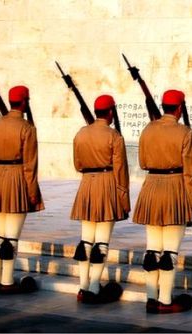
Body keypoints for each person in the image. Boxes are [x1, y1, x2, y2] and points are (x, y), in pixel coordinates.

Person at [133, 89, 192, 314]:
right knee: (170, 251)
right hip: (174, 187)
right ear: (180, 108)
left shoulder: (148, 129)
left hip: (151, 186)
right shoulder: (185, 133)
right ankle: (164, 300)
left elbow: (142, 161)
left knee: (152, 249)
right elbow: (190, 173)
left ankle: (151, 297)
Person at [0, 85, 43, 294]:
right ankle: (8, 282)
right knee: (11, 237)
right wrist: (33, 191)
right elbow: (30, 164)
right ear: (25, 102)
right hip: (17, 177)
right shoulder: (27, 128)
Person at [71, 95, 128, 304]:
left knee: (86, 240)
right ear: (111, 112)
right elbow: (120, 170)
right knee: (101, 242)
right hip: (106, 184)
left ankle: (82, 286)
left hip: (86, 184)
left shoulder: (81, 133)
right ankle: (95, 288)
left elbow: (77, 164)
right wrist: (123, 195)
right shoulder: (114, 136)